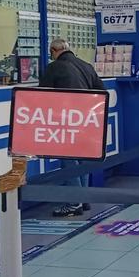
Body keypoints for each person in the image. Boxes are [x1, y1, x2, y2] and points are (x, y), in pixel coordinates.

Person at [40, 39, 105, 217]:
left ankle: (74, 203)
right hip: (88, 121)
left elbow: (42, 94)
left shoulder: (54, 67)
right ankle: (83, 199)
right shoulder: (86, 66)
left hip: (66, 121)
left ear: (54, 51)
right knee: (83, 160)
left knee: (68, 161)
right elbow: (101, 91)